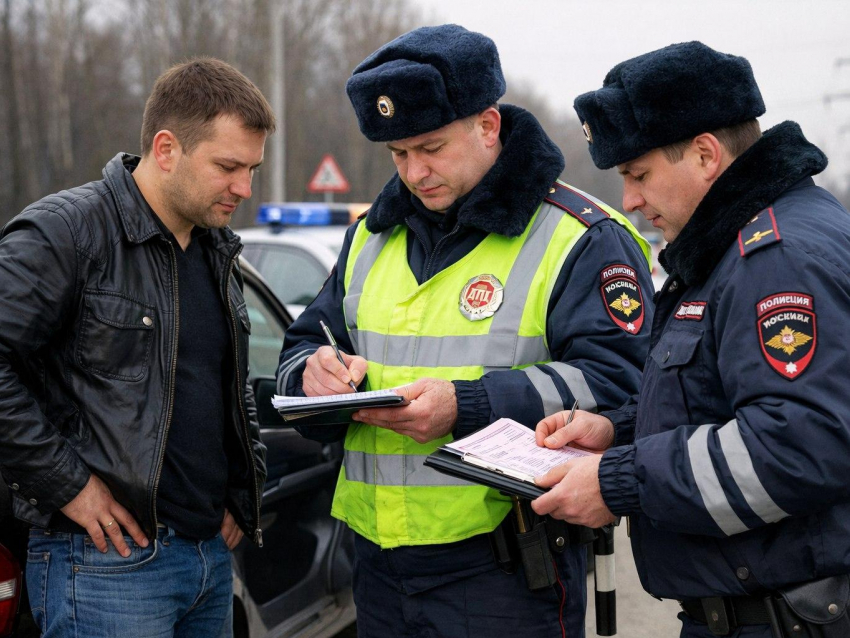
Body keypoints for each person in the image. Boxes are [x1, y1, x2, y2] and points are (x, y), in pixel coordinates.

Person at [278, 24, 654, 638]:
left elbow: (620, 383)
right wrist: (313, 373)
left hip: (505, 572)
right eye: (398, 155)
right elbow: (303, 344)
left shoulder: (581, 237)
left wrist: (466, 404)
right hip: (374, 568)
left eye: (431, 147)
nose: (414, 172)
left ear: (488, 126)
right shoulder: (373, 236)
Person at [532, 41, 850, 638]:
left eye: (638, 174)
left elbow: (798, 446)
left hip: (782, 620)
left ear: (705, 155)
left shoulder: (775, 259)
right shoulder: (734, 248)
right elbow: (722, 402)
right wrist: (615, 432)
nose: (628, 199)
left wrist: (618, 480)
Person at [0, 57, 274, 637]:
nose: (245, 188)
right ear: (167, 148)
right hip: (104, 567)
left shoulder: (216, 249)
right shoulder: (66, 232)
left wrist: (237, 498)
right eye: (229, 166)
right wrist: (67, 485)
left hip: (209, 560)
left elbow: (230, 386)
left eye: (252, 169)